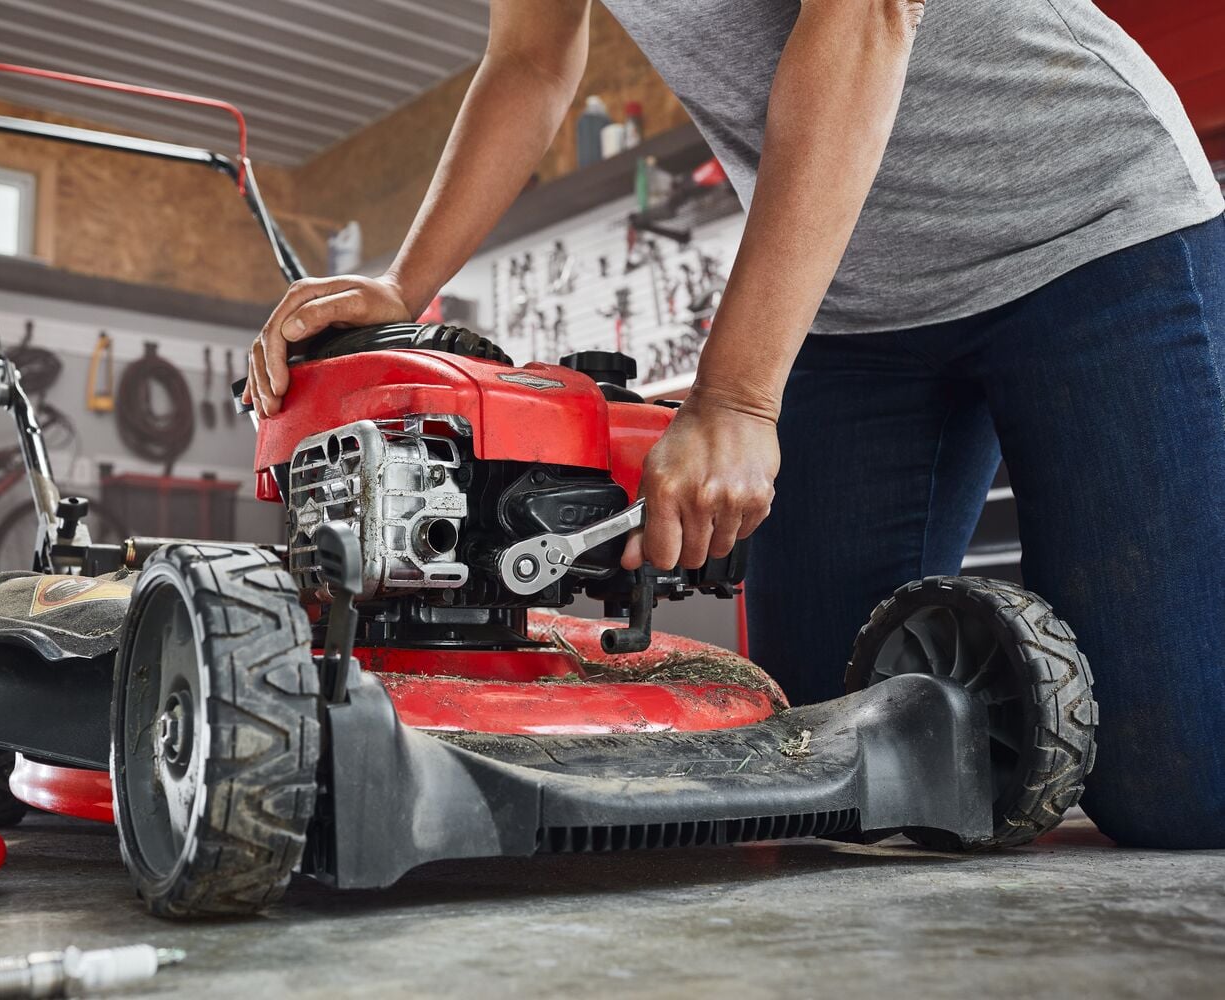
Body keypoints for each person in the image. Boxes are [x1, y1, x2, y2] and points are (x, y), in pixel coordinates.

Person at [243, 1, 1225, 849]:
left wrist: (738, 398)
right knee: (824, 768)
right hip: (856, 301)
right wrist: (400, 290)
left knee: (1178, 786)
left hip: (1090, 231)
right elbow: (532, 60)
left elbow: (866, 15)